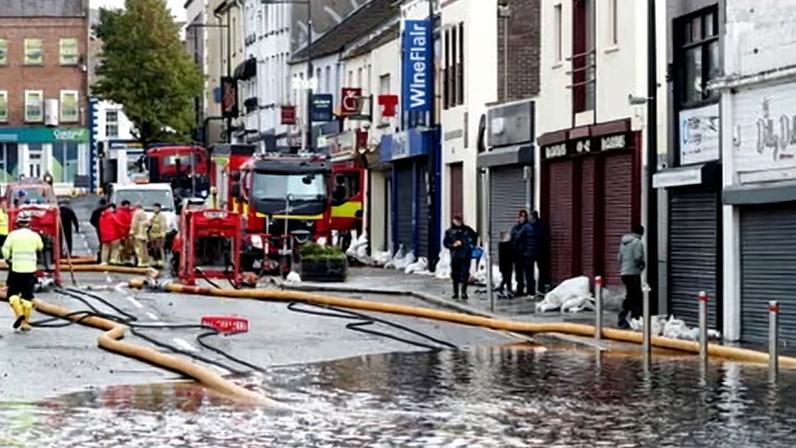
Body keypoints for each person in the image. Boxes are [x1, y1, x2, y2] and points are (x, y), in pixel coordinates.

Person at [3, 212, 44, 331]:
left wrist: (8, 258)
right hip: (30, 270)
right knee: (27, 296)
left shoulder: (12, 235)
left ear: (18, 223)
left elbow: (5, 250)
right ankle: (25, 323)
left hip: (16, 269)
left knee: (12, 294)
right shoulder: (34, 235)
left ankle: (19, 313)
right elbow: (40, 247)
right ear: (29, 223)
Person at [617, 225, 646, 329]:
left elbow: (619, 258)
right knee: (635, 297)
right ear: (641, 233)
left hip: (624, 273)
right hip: (633, 273)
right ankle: (629, 318)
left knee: (632, 295)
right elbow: (637, 257)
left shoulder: (623, 242)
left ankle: (630, 318)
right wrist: (642, 264)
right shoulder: (637, 242)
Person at [443, 214, 477, 300]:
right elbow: (446, 243)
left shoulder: (467, 230)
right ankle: (455, 292)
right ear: (453, 221)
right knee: (455, 274)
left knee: (465, 274)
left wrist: (472, 245)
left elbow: (475, 236)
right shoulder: (449, 232)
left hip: (465, 255)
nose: (458, 222)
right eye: (456, 220)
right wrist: (453, 245)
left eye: (459, 220)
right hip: (455, 256)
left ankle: (464, 292)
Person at [511, 210, 539, 297]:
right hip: (520, 253)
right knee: (520, 273)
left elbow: (517, 237)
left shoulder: (527, 227)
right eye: (521, 216)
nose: (522, 218)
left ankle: (528, 291)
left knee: (528, 273)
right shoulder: (517, 227)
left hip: (524, 253)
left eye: (524, 216)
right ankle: (522, 290)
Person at [531, 210, 551, 294]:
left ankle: (539, 288)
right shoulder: (544, 225)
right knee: (543, 270)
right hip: (544, 251)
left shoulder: (533, 226)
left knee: (539, 270)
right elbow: (548, 237)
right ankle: (542, 287)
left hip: (538, 252)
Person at [114, 200, 134, 265]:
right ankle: (120, 259)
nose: (129, 207)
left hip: (128, 233)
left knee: (128, 247)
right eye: (127, 205)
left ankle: (126, 259)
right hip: (123, 233)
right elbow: (119, 224)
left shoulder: (129, 212)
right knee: (122, 247)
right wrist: (122, 234)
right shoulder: (120, 213)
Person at [148, 203, 168, 268]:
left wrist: (162, 234)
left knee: (158, 249)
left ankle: (160, 262)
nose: (154, 209)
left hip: (159, 234)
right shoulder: (154, 216)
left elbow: (163, 225)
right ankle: (155, 261)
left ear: (159, 208)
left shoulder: (162, 216)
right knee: (153, 249)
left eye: (156, 208)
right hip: (152, 235)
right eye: (154, 208)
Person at [90, 198, 109, 263]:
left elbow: (92, 221)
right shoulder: (108, 210)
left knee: (102, 242)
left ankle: (101, 257)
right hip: (108, 228)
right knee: (108, 243)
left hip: (99, 228)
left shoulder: (96, 211)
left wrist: (97, 225)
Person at [497, 231, 514, 298]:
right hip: (507, 265)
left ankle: (504, 289)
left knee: (506, 278)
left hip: (504, 265)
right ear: (505, 237)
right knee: (507, 278)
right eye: (508, 236)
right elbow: (509, 255)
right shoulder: (506, 245)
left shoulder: (502, 245)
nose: (510, 237)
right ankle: (506, 290)